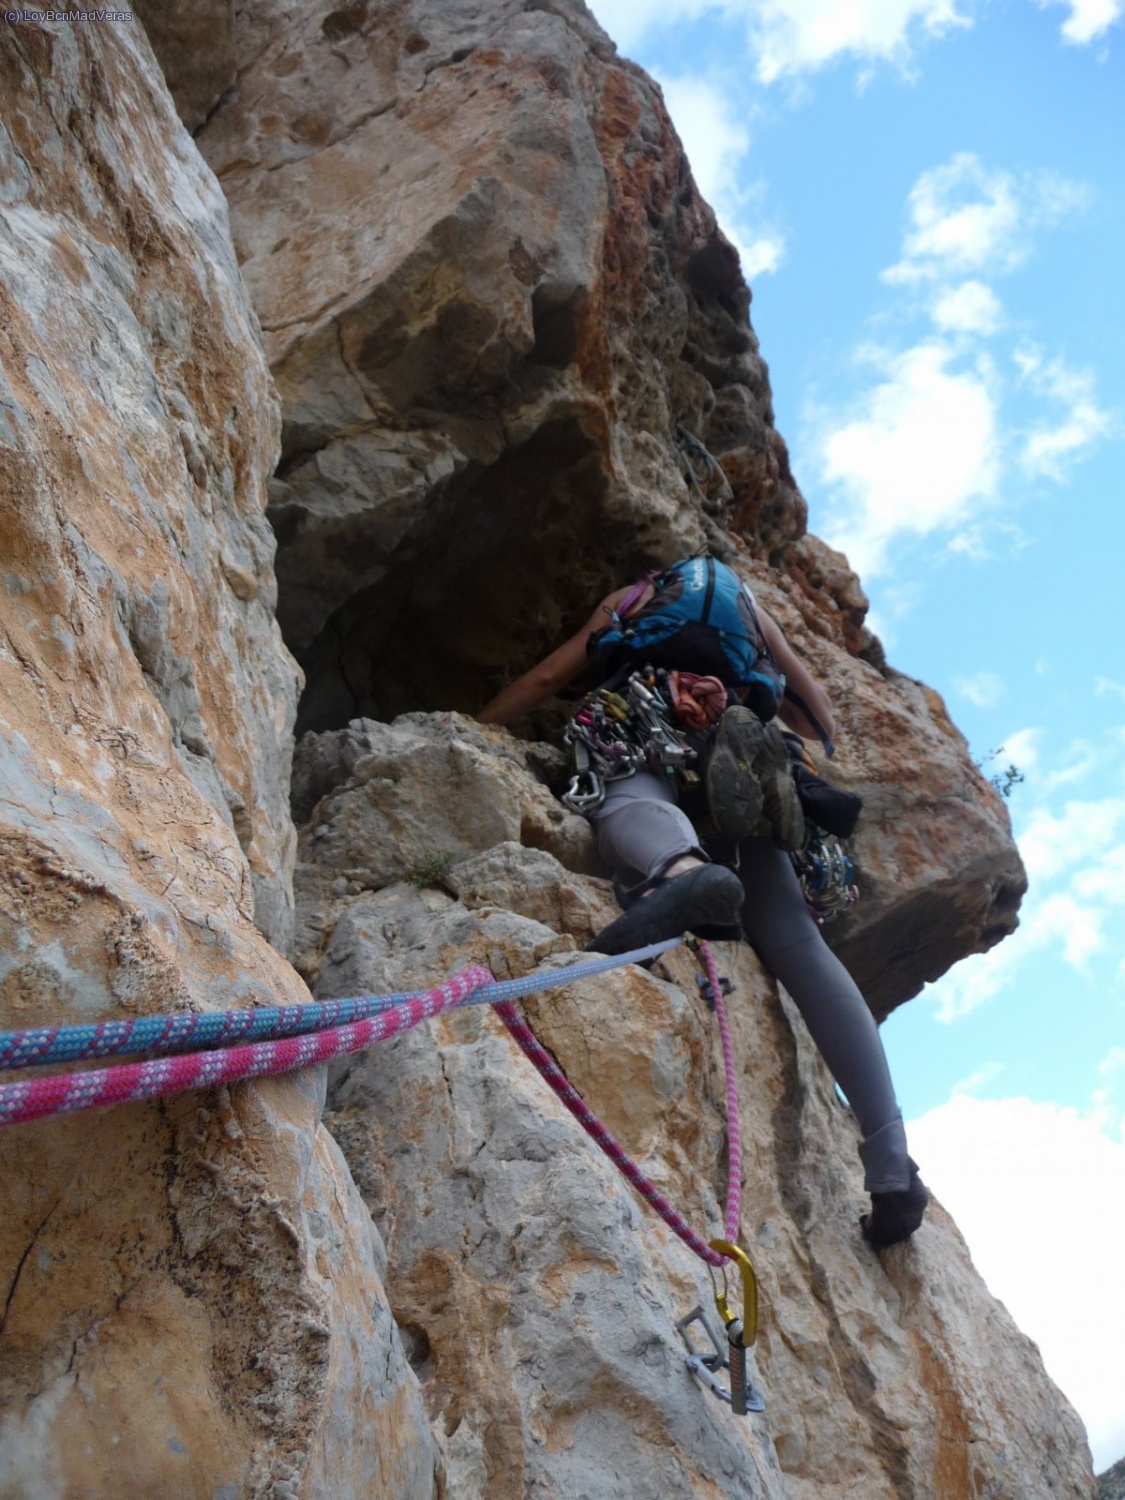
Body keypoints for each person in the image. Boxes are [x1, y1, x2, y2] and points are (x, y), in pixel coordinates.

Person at [477, 560, 928, 1249]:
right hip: (743, 729)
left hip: (648, 705)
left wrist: (480, 726)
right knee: (800, 945)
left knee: (628, 793)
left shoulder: (630, 596)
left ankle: (677, 865)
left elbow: (547, 677)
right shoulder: (749, 608)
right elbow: (817, 718)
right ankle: (891, 1165)